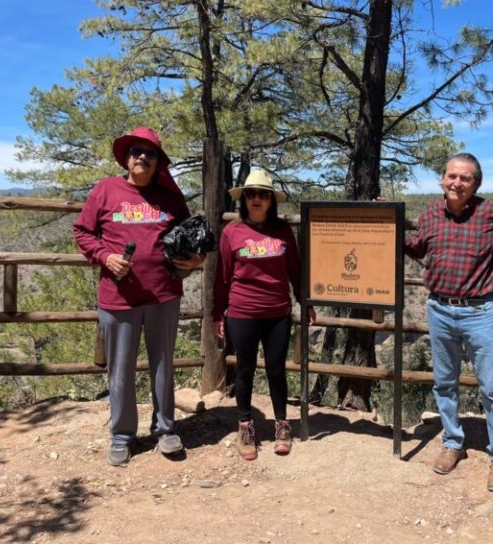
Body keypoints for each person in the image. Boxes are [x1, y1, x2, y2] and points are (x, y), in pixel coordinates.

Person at [74, 126, 205, 467]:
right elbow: (83, 232)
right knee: (121, 369)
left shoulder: (170, 197)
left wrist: (196, 260)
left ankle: (165, 429)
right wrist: (105, 256)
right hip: (118, 298)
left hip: (164, 294)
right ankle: (121, 435)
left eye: (150, 153)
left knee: (163, 365)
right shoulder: (106, 190)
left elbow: (192, 238)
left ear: (159, 161)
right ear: (127, 158)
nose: (142, 157)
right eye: (136, 151)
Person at [404, 153, 493, 492]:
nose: (456, 183)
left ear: (476, 184)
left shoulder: (491, 214)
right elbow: (416, 248)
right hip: (439, 309)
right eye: (451, 176)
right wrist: (389, 222)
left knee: (492, 388)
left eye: (465, 178)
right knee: (444, 382)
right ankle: (453, 441)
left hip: (479, 312)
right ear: (443, 179)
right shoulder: (430, 213)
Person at [212, 169, 315, 461]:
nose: (257, 199)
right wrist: (218, 315)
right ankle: (246, 427)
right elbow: (222, 277)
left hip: (277, 313)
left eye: (263, 194)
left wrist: (303, 301)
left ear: (271, 200)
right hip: (242, 312)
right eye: (251, 194)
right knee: (244, 369)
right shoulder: (231, 232)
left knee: (276, 369)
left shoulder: (282, 231)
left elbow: (295, 269)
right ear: (243, 199)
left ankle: (282, 425)